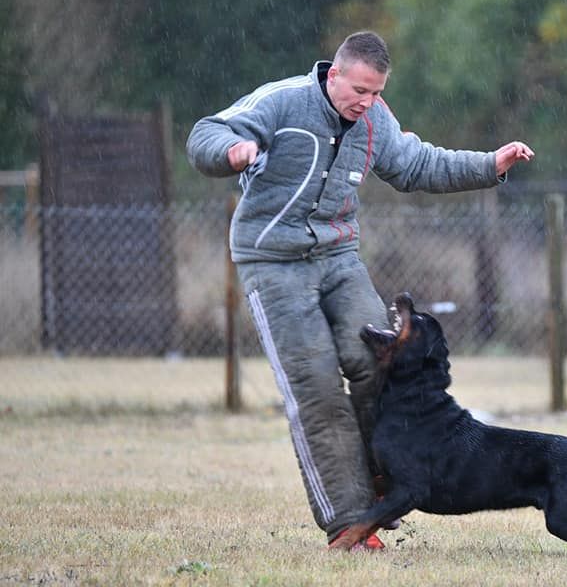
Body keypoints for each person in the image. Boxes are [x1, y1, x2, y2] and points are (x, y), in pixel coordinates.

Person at [185, 31, 534, 550]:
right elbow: (204, 134)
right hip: (272, 262)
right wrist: (233, 150)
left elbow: (419, 164)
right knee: (319, 393)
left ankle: (382, 477)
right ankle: (349, 522)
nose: (368, 104)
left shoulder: (374, 120)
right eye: (360, 91)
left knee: (381, 363)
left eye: (376, 94)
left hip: (338, 259)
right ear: (334, 76)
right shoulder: (282, 102)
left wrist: (489, 165)